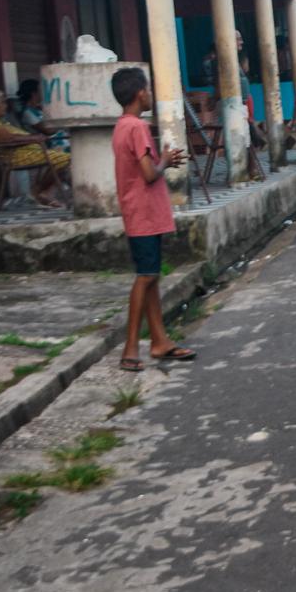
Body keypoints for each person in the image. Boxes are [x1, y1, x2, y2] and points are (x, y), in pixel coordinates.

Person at [110, 66, 194, 371]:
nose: (150, 94)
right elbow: (148, 174)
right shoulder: (137, 128)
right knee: (145, 277)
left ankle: (160, 341)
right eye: (147, 89)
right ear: (139, 94)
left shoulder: (122, 126)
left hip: (138, 214)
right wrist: (166, 161)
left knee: (151, 276)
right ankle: (130, 348)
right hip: (144, 214)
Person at [0, 88, 70, 207]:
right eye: (3, 102)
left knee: (65, 159)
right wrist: (34, 138)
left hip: (28, 152)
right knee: (65, 159)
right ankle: (39, 191)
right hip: (16, 156)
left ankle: (45, 192)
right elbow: (9, 139)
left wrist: (35, 138)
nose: (5, 106)